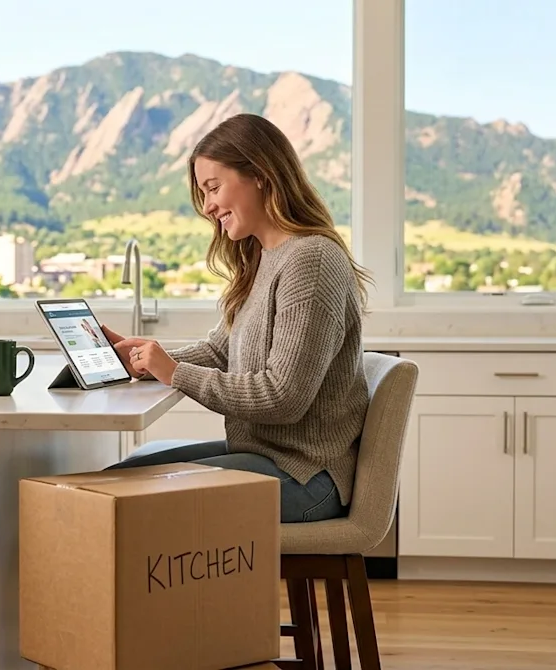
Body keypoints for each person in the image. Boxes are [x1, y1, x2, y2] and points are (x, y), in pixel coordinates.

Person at [101, 113, 373, 524]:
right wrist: (148, 361)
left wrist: (173, 372)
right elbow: (219, 350)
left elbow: (283, 398)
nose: (208, 207)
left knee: (119, 501)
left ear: (261, 175)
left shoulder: (311, 261)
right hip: (268, 459)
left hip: (305, 478)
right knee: (113, 483)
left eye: (213, 188)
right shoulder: (265, 258)